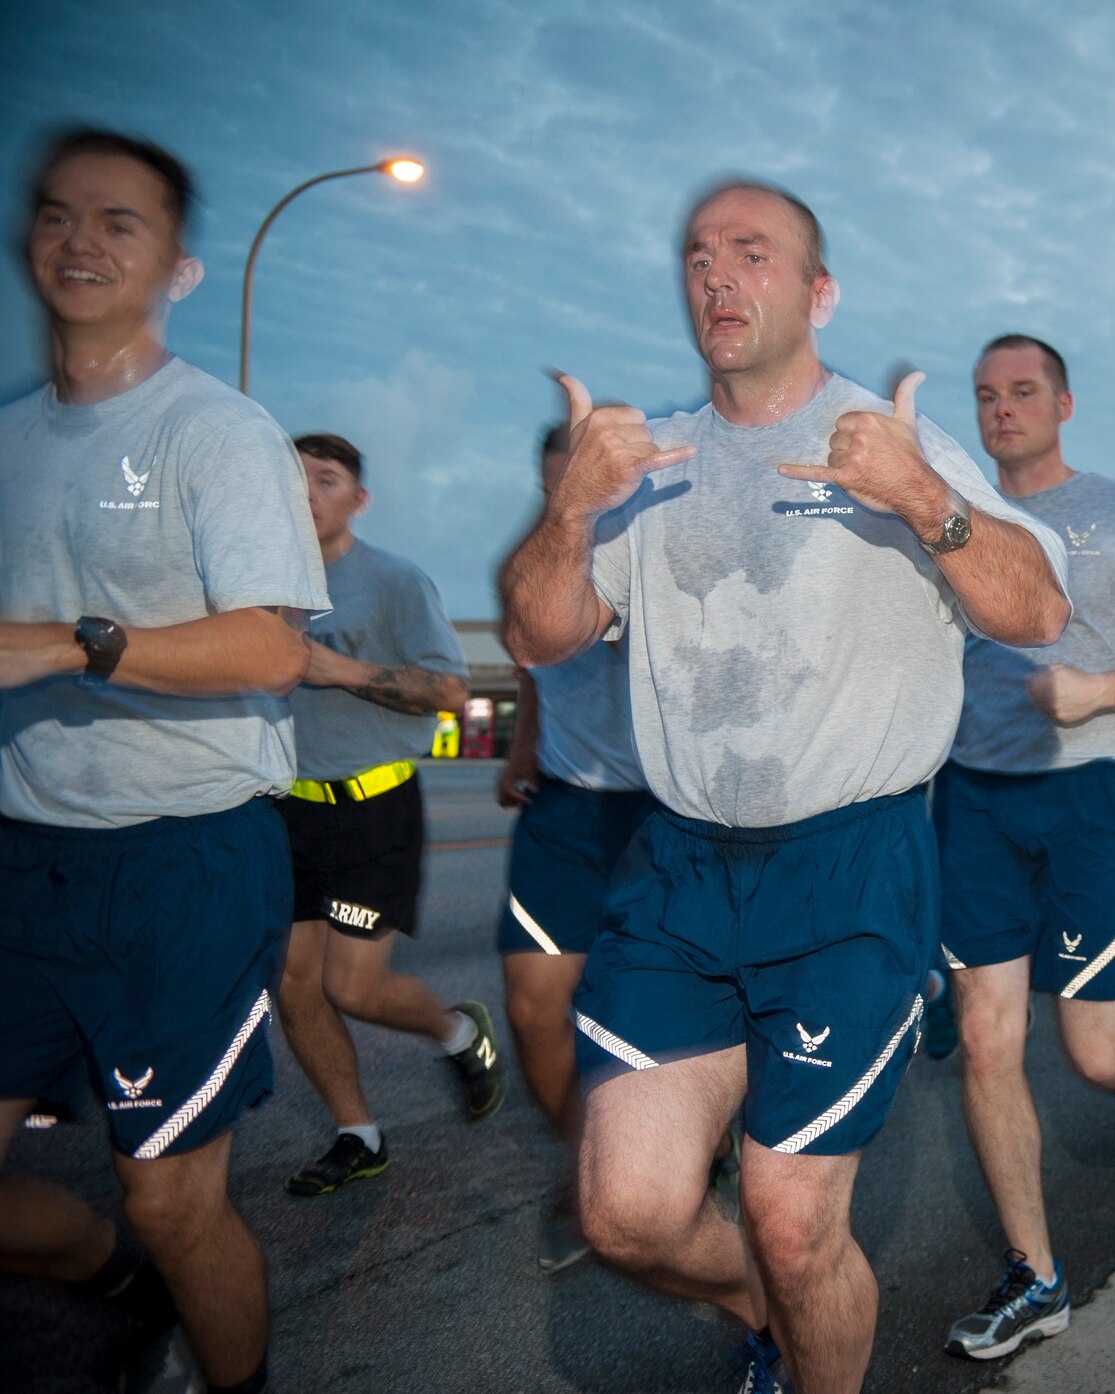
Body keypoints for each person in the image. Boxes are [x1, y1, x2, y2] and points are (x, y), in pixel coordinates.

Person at [500, 180, 1070, 1394]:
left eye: (751, 254)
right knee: (625, 1213)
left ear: (818, 293)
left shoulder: (890, 439)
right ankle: (775, 1315)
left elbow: (1039, 610)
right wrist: (569, 508)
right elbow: (543, 635)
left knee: (795, 1210)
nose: (717, 277)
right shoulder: (646, 458)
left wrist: (924, 497)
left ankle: (807, 1330)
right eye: (699, 256)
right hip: (679, 867)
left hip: (849, 863)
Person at [0, 128, 329, 1394]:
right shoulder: (12, 437)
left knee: (171, 1192)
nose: (82, 241)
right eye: (58, 215)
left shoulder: (217, 430)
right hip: (27, 854)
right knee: (122, 1222)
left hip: (182, 857)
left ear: (179, 267)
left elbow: (270, 645)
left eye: (119, 222)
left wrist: (68, 648)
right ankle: (105, 1281)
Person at [936, 333, 1115, 1362]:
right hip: (973, 799)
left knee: (1093, 1046)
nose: (1001, 409)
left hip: (1094, 796)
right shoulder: (951, 508)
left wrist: (1099, 689)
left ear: (1063, 402)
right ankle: (1037, 1276)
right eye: (985, 395)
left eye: (1022, 392)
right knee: (983, 1037)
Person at [274, 433, 500, 1197]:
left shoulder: (393, 581)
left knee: (353, 988)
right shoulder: (254, 586)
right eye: (293, 477)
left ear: (357, 499)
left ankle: (457, 1031)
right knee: (294, 985)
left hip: (372, 813)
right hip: (286, 813)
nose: (307, 492)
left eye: (326, 480)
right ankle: (358, 1134)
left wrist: (337, 668)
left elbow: (447, 691)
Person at [494, 423, 658, 1271]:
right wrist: (523, 748)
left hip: (665, 813)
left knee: (662, 1015)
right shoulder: (529, 557)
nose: (577, 502)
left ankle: (686, 1151)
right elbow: (527, 659)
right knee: (532, 1008)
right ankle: (585, 1167)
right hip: (564, 812)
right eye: (562, 487)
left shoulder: (652, 548)